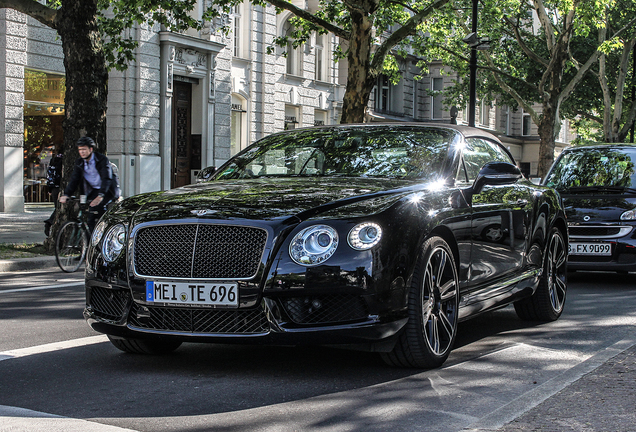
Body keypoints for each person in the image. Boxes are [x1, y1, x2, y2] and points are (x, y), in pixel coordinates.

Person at [59, 137, 119, 233]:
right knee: (90, 217)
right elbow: (74, 179)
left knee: (99, 210)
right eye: (80, 150)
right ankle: (90, 242)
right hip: (94, 190)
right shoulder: (80, 163)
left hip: (107, 190)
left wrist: (101, 196)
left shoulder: (101, 159)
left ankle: (107, 234)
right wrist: (66, 194)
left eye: (84, 149)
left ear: (91, 149)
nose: (82, 152)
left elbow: (107, 178)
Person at [44, 150, 63, 236]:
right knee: (59, 208)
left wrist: (49, 189)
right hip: (60, 187)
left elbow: (50, 175)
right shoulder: (63, 161)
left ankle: (52, 224)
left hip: (54, 188)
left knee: (57, 207)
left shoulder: (53, 161)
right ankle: (50, 222)